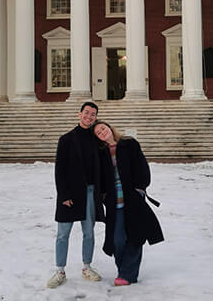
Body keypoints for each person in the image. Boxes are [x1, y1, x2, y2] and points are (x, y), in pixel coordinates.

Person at [93, 119, 164, 286]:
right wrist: (103, 196)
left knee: (135, 236)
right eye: (98, 133)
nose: (103, 132)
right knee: (116, 239)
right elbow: (99, 178)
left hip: (132, 199)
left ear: (109, 127)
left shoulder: (129, 144)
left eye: (103, 128)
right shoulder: (101, 152)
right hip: (113, 201)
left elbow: (142, 167)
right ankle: (124, 270)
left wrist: (140, 190)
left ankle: (127, 275)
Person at [46, 102, 106, 289]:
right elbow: (59, 170)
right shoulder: (66, 140)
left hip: (90, 192)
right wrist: (63, 195)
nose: (89, 116)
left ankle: (87, 267)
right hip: (70, 194)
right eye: (86, 113)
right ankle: (60, 271)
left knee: (89, 233)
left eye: (93, 114)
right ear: (79, 114)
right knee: (63, 234)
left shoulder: (97, 140)